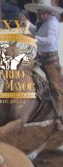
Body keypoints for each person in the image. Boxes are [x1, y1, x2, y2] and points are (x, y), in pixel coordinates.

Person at [21, 0, 63, 130]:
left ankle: (60, 117)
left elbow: (50, 40)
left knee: (55, 88)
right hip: (40, 57)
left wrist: (33, 39)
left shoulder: (53, 23)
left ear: (49, 13)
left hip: (50, 61)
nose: (40, 14)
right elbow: (35, 30)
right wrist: (26, 23)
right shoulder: (42, 22)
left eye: (42, 12)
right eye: (39, 12)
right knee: (21, 70)